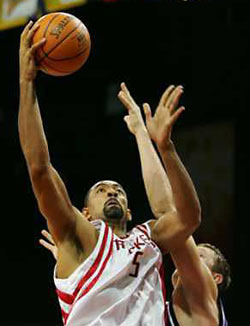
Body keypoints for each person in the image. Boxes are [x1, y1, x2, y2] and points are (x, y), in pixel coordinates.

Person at [19, 21, 200, 326]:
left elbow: (189, 218)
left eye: (118, 190)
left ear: (129, 210)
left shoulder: (150, 239)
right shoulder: (78, 236)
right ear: (86, 212)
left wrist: (165, 148)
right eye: (102, 190)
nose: (112, 192)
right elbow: (39, 169)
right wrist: (26, 83)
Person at [41, 84, 231, 326]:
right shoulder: (160, 308)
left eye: (200, 255)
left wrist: (151, 139)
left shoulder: (201, 298)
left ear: (215, 278)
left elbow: (168, 211)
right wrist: (80, 263)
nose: (189, 254)